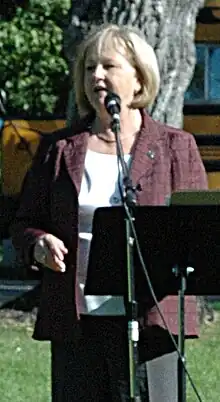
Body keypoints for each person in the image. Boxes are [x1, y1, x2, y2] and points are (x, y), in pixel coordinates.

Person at [11, 23, 208, 402]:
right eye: (88, 68)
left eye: (108, 66)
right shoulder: (59, 149)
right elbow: (23, 224)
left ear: (138, 79)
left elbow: (198, 233)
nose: (96, 76)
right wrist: (38, 244)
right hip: (79, 323)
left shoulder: (175, 148)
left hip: (153, 323)